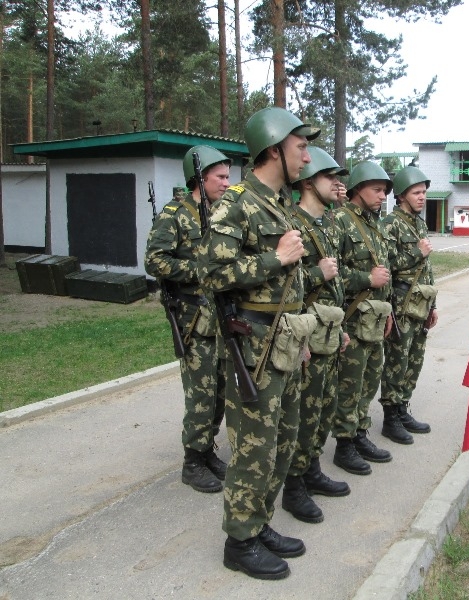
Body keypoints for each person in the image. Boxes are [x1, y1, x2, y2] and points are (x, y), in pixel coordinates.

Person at [198, 107, 319, 580]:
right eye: (300, 147)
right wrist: (273, 258)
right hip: (254, 346)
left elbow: (292, 282)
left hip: (285, 341)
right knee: (254, 445)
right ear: (273, 149)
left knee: (282, 441)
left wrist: (301, 332)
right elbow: (212, 275)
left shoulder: (279, 204)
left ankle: (260, 522)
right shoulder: (237, 202)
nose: (307, 157)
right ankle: (239, 541)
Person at [144, 145, 231, 494]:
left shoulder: (221, 213)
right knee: (202, 393)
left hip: (219, 319)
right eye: (220, 176)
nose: (227, 182)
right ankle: (192, 462)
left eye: (228, 176)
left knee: (221, 391)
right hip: (194, 321)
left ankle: (207, 451)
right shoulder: (175, 215)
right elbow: (155, 261)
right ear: (200, 177)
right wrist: (198, 270)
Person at [281, 147, 351, 523]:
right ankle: (293, 488)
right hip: (305, 334)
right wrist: (316, 274)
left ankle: (310, 470)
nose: (338, 184)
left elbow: (333, 284)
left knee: (323, 408)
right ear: (309, 182)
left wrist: (338, 329)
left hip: (328, 330)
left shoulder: (326, 224)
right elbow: (283, 285)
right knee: (303, 414)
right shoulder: (292, 223)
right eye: (330, 178)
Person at [330, 161, 395, 475]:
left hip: (375, 318)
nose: (383, 196)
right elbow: (330, 272)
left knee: (369, 381)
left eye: (384, 191)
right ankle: (344, 444)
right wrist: (365, 279)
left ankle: (359, 433)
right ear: (358, 188)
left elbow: (386, 271)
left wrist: (389, 309)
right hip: (353, 319)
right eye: (377, 189)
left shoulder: (375, 224)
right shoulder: (340, 221)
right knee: (349, 384)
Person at [379, 166, 438, 445]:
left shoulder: (419, 223)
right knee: (397, 361)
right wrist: (418, 251)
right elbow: (386, 266)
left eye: (424, 192)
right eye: (416, 192)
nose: (422, 197)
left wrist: (433, 304)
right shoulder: (390, 224)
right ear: (401, 195)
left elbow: (427, 268)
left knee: (414, 359)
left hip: (420, 303)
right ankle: (390, 418)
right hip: (401, 304)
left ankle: (402, 408)